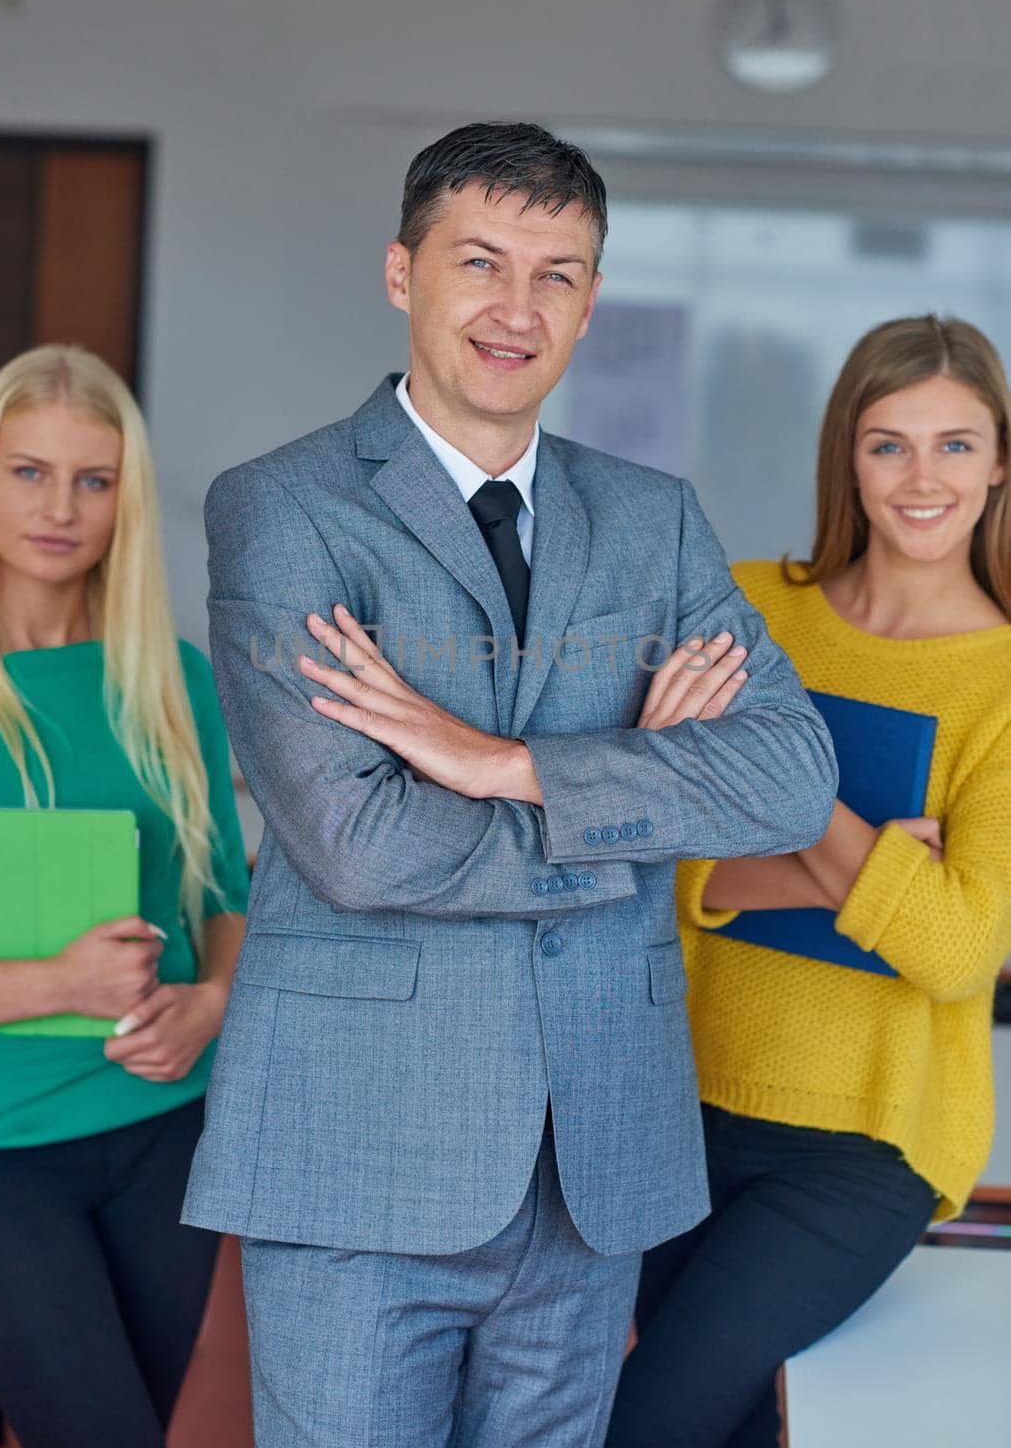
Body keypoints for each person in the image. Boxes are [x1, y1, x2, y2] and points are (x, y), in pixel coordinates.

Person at [182, 121, 837, 1448]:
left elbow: (786, 778)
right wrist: (640, 807)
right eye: (480, 261)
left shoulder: (653, 519)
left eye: (558, 273)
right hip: (361, 1161)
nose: (516, 306)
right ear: (400, 273)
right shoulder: (285, 508)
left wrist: (507, 765)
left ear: (592, 304)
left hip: (596, 1166)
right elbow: (356, 843)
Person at [605, 314, 1011, 1448]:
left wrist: (782, 795)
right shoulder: (750, 608)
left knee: (647, 1422)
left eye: (956, 445)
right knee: (724, 1423)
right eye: (889, 444)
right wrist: (875, 862)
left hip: (869, 1145)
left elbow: (957, 947)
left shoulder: (1006, 683)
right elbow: (650, 845)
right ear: (847, 455)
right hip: (678, 1099)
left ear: (1001, 462)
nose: (922, 478)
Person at [0, 345, 251, 1448]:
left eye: (93, 479)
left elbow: (224, 897)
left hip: (162, 1126)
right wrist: (57, 981)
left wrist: (213, 1000)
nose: (59, 507)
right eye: (28, 472)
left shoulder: (173, 682)